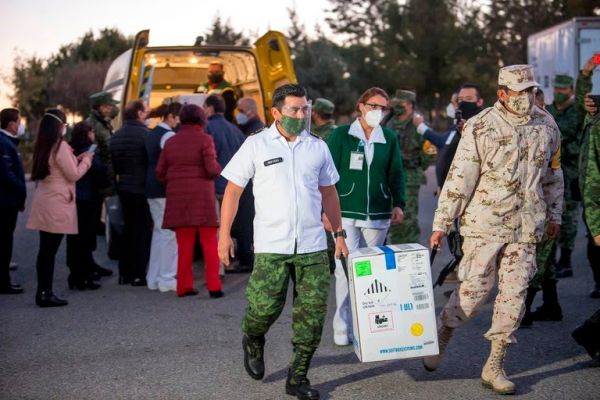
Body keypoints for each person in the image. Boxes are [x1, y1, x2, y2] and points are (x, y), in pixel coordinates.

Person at [424, 65, 564, 395]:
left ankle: (495, 364)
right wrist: (441, 224)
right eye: (519, 92)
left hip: (527, 225)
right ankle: (444, 330)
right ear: (502, 93)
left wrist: (555, 213)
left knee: (514, 299)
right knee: (473, 294)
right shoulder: (481, 126)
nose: (526, 98)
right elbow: (460, 178)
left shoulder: (547, 125)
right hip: (485, 225)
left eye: (530, 91)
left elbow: (553, 175)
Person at [218, 84, 348, 400]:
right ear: (276, 112)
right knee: (263, 308)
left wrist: (339, 234)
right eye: (294, 109)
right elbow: (233, 191)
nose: (301, 115)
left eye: (304, 109)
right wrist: (224, 235)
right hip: (271, 246)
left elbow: (329, 192)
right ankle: (253, 337)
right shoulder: (256, 145)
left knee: (312, 316)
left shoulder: (317, 146)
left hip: (313, 246)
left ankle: (298, 377)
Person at [326, 87, 406, 346]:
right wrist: (325, 210)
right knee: (344, 269)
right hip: (345, 211)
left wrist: (399, 203)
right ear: (360, 106)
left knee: (372, 273)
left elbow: (396, 172)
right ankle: (342, 324)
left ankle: (369, 326)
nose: (377, 112)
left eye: (382, 108)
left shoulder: (389, 137)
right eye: (373, 106)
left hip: (379, 213)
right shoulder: (341, 135)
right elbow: (326, 174)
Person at [27, 109, 93, 307]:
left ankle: (43, 291)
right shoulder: (60, 146)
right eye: (64, 125)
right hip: (57, 203)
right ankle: (45, 292)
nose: (65, 128)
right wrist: (87, 160)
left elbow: (59, 168)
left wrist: (76, 159)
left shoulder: (44, 145)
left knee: (45, 250)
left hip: (45, 202)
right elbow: (73, 175)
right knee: (49, 251)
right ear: (58, 126)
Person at [156, 104, 224, 298]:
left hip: (179, 200)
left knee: (184, 247)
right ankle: (214, 286)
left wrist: (175, 181)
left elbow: (160, 172)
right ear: (201, 119)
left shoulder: (171, 142)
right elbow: (212, 169)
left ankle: (184, 286)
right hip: (202, 198)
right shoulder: (205, 139)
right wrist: (218, 168)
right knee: (210, 244)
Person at [204, 94, 253, 273]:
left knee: (220, 226)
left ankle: (220, 266)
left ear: (209, 109)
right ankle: (231, 260)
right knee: (234, 224)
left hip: (217, 185)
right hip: (238, 185)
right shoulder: (235, 129)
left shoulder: (207, 128)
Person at [110, 100, 152, 287]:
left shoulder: (116, 136)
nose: (148, 114)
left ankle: (123, 273)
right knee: (141, 232)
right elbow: (150, 162)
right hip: (141, 189)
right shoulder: (145, 135)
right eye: (145, 111)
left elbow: (113, 164)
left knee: (126, 231)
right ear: (138, 113)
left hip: (123, 189)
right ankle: (138, 274)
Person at [546, 75, 585, 279]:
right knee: (551, 215)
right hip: (552, 173)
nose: (559, 93)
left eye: (563, 89)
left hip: (570, 172)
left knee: (569, 217)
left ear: (571, 90)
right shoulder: (550, 110)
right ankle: (550, 260)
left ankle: (566, 260)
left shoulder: (577, 111)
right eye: (557, 89)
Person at [571, 91, 600, 360]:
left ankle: (591, 333)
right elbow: (591, 179)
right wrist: (596, 226)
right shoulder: (597, 124)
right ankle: (591, 333)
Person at [413, 83, 485, 189]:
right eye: (460, 99)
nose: (463, 103)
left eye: (469, 99)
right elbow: (443, 142)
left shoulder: (483, 125)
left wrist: (421, 126)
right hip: (448, 189)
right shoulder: (458, 125)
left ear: (479, 102)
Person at [66, 122, 109, 290]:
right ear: (87, 133)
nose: (94, 134)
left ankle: (77, 272)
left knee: (74, 237)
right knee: (85, 237)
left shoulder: (70, 148)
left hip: (74, 197)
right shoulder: (90, 150)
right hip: (88, 198)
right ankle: (83, 275)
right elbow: (99, 171)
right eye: (92, 131)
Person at [385, 89, 431, 245]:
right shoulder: (389, 122)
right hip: (388, 176)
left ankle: (409, 250)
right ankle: (397, 248)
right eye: (395, 102)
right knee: (389, 216)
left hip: (409, 178)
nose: (396, 106)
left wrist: (415, 166)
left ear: (410, 105)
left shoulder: (418, 124)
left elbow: (429, 153)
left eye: (400, 103)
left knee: (407, 217)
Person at [145, 102, 182, 292]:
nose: (179, 121)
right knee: (168, 234)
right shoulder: (168, 135)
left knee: (159, 233)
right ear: (170, 117)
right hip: (163, 189)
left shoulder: (152, 133)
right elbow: (172, 161)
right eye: (177, 117)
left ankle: (153, 278)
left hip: (151, 188)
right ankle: (166, 278)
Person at [85, 90, 118, 278]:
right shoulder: (94, 126)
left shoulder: (101, 123)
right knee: (89, 225)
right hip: (95, 184)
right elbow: (103, 152)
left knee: (94, 223)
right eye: (109, 105)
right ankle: (87, 266)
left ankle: (90, 264)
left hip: (102, 182)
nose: (113, 108)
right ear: (102, 107)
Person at [0, 108, 27, 294]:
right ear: (11, 124)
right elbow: (6, 173)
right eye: (18, 122)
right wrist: (20, 188)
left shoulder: (8, 142)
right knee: (4, 242)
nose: (20, 125)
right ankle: (3, 283)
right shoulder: (3, 143)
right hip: (5, 202)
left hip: (9, 200)